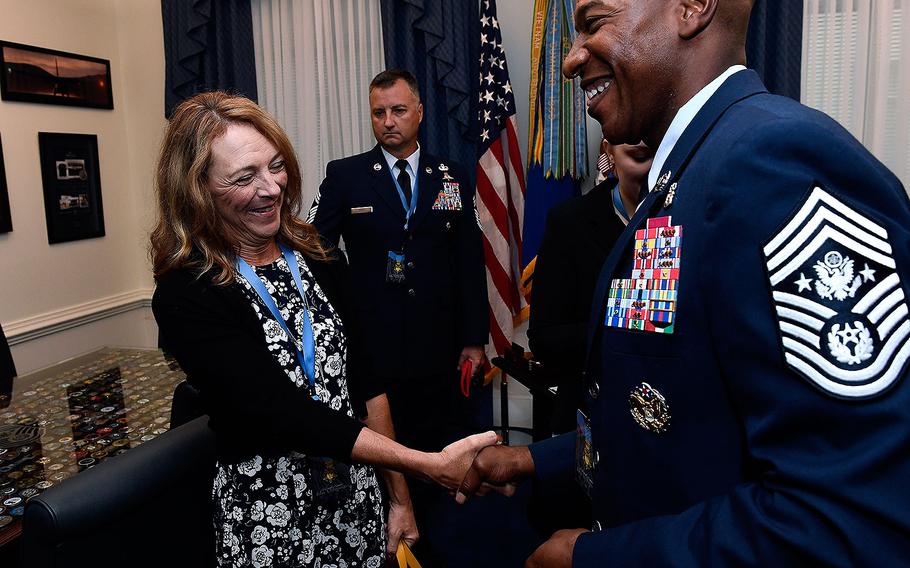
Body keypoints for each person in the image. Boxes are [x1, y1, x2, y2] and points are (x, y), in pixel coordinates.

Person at [458, 0, 910, 566]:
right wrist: (536, 461)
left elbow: (849, 518)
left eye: (595, 23)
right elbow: (680, 417)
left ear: (692, 8)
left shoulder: (769, 163)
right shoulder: (687, 180)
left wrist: (596, 558)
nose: (571, 60)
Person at [150, 92, 497, 567]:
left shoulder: (317, 255)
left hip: (354, 494)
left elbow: (367, 381)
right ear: (197, 189)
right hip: (270, 513)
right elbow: (279, 411)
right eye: (244, 178)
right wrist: (426, 465)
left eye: (276, 166)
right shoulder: (187, 291)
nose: (271, 188)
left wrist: (399, 498)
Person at [307, 69, 489, 454]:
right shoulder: (345, 176)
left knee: (442, 443)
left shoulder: (451, 176)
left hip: (440, 342)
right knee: (387, 447)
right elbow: (315, 248)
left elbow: (470, 260)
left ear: (420, 112)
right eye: (378, 113)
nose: (388, 121)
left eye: (398, 110)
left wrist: (474, 338)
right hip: (375, 342)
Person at [529, 140, 653, 435]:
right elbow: (545, 339)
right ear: (608, 149)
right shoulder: (569, 222)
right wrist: (628, 324)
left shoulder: (693, 212)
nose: (639, 139)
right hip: (590, 412)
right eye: (628, 129)